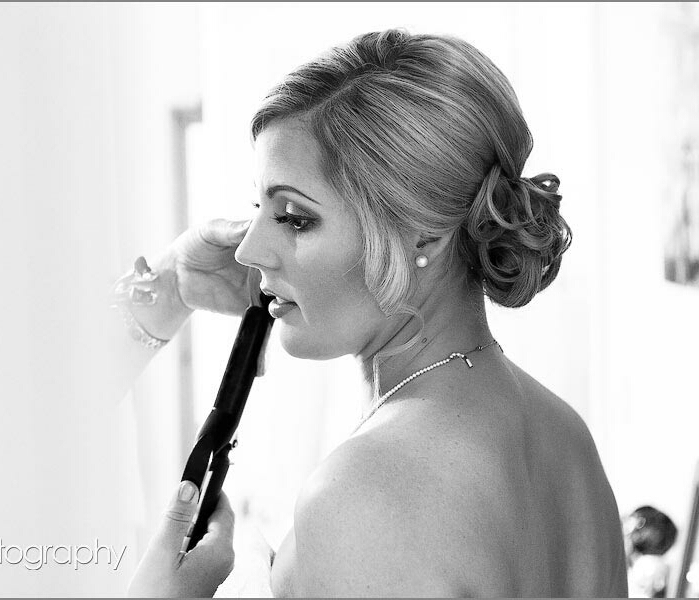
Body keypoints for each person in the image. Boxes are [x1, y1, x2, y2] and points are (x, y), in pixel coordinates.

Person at [121, 28, 628, 597]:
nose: (246, 250)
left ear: (423, 235)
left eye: (293, 216)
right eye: (257, 206)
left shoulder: (361, 493)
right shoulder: (566, 440)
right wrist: (170, 287)